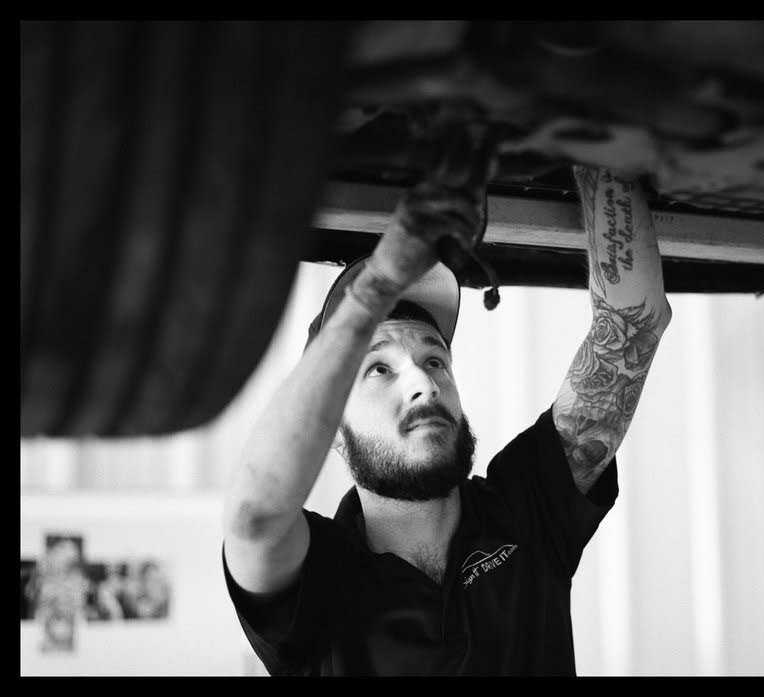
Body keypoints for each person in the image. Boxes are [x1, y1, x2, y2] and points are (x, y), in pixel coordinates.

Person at [222, 164, 672, 676]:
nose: (423, 382)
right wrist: (374, 287)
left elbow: (632, 322)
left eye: (435, 360)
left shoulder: (527, 508)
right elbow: (255, 517)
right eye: (378, 368)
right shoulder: (317, 577)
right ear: (330, 428)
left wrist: (596, 145)